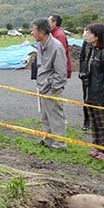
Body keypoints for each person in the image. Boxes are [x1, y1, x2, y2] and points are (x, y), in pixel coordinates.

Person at [82, 23, 104, 160]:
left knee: (102, 124)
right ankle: (96, 146)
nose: (87, 35)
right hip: (90, 91)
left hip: (101, 93)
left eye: (89, 33)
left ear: (97, 36)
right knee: (94, 122)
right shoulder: (92, 50)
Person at [32, 18, 68, 150]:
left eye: (34, 30)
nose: (32, 33)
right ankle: (48, 140)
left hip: (51, 88)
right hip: (42, 86)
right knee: (45, 115)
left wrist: (54, 87)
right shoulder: (40, 44)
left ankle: (59, 144)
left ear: (42, 32)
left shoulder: (56, 46)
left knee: (56, 116)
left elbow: (61, 71)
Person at [49, 14, 72, 79]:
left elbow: (60, 55)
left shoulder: (59, 35)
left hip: (57, 70)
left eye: (48, 22)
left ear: (54, 23)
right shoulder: (53, 33)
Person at [78, 32, 92, 131]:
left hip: (98, 77)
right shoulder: (86, 43)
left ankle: (95, 121)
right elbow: (82, 58)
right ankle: (86, 120)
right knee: (86, 98)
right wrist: (82, 71)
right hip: (86, 75)